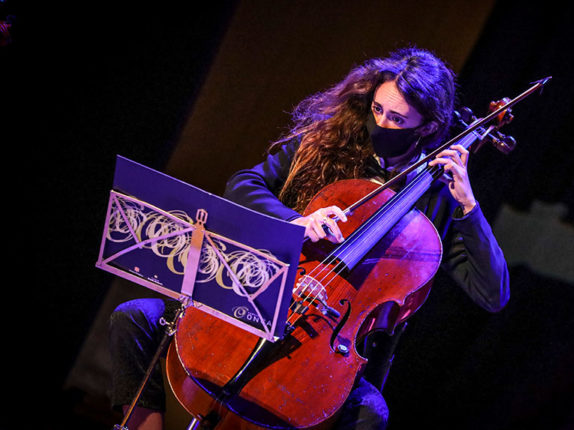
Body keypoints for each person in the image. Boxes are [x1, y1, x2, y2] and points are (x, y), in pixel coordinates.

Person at [109, 47, 510, 430]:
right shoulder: (328, 142)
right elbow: (243, 184)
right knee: (135, 317)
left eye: (397, 119)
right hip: (260, 298)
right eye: (377, 109)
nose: (381, 124)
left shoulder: (436, 200)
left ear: (428, 126)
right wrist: (297, 222)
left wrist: (468, 206)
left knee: (371, 414)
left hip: (329, 348)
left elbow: (492, 293)